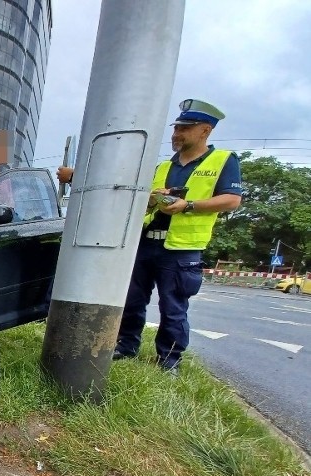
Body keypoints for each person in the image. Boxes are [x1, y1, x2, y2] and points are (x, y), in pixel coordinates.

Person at [58, 99, 242, 374]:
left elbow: (231, 200)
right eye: (176, 127)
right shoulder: (164, 167)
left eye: (184, 128)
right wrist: (153, 201)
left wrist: (188, 205)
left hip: (181, 248)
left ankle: (169, 361)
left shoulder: (223, 161)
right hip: (146, 243)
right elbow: (140, 201)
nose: (176, 134)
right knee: (133, 298)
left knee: (173, 308)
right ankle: (127, 345)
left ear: (205, 130)